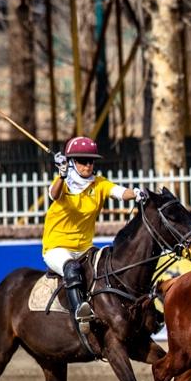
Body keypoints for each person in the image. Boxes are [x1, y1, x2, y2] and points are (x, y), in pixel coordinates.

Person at [44, 136, 147, 333]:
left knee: (107, 269)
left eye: (91, 161)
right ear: (72, 162)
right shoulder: (63, 183)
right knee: (72, 269)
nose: (88, 165)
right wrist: (62, 175)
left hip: (85, 247)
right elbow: (54, 194)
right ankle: (79, 316)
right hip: (57, 247)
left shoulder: (98, 184)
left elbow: (120, 192)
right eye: (83, 161)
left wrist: (136, 192)